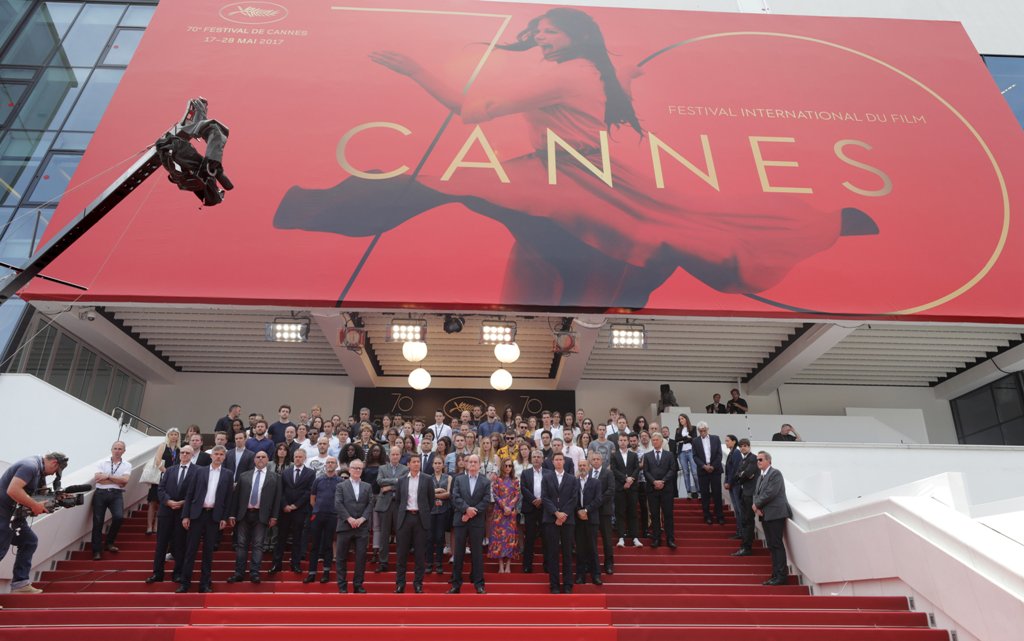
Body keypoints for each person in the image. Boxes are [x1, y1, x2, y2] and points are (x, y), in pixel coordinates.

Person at [0, 452, 68, 594]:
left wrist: (56, 499)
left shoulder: (39, 471)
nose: (53, 475)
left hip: (13, 515)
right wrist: (34, 505)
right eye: (55, 472)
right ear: (54, 463)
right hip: (3, 513)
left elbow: (40, 496)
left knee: (29, 541)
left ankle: (20, 585)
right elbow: (13, 490)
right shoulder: (29, 466)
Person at [177, 445, 232, 593]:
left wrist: (224, 518)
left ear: (224, 457)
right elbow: (190, 494)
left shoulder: (228, 474)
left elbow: (228, 498)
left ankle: (205, 584)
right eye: (216, 454)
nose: (218, 457)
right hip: (197, 514)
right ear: (211, 456)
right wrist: (186, 515)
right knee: (190, 550)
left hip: (214, 517)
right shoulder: (199, 471)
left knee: (208, 552)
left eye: (221, 454)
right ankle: (184, 583)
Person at [227, 450, 281, 584]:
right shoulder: (244, 475)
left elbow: (277, 499)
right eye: (258, 457)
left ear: (268, 459)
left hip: (261, 515)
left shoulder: (275, 477)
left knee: (258, 545)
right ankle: (239, 573)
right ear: (254, 459)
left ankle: (254, 573)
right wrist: (232, 514)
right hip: (244, 514)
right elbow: (236, 497)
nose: (260, 459)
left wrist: (274, 516)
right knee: (241, 544)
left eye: (263, 457)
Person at [146, 444, 195, 584]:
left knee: (180, 545)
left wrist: (183, 503)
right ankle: (157, 573)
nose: (184, 455)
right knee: (161, 544)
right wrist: (168, 502)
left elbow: (197, 491)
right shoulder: (170, 470)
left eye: (187, 453)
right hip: (166, 512)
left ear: (192, 455)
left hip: (183, 513)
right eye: (183, 452)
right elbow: (160, 489)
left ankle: (178, 573)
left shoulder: (197, 471)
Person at [449, 454, 490, 594]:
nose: (472, 464)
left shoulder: (485, 482)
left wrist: (472, 512)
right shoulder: (459, 479)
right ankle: (456, 584)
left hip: (477, 522)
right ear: (466, 464)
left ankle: (479, 584)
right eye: (470, 462)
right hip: (461, 520)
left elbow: (485, 500)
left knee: (477, 554)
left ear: (479, 465)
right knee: (458, 553)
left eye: (475, 462)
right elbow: (455, 497)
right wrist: (466, 510)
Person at [394, 455, 434, 593]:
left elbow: (431, 500)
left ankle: (418, 583)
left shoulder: (427, 479)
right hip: (405, 518)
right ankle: (400, 584)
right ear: (408, 464)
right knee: (401, 554)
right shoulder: (401, 480)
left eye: (418, 462)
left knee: (419, 554)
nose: (417, 464)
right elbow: (398, 500)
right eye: (414, 462)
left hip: (420, 519)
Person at [271, 448, 315, 574]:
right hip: (284, 511)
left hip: (300, 511)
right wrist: (285, 505)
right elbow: (281, 490)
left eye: (300, 457)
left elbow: (309, 492)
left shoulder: (310, 473)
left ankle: (295, 564)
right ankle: (276, 564)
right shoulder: (286, 472)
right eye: (296, 457)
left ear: (305, 458)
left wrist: (296, 505)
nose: (298, 459)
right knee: (281, 538)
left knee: (297, 538)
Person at [753, 450, 792, 585]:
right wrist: (757, 507)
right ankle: (775, 575)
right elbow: (756, 494)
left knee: (776, 544)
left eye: (760, 459)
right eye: (757, 460)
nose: (758, 462)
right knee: (771, 545)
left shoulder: (775, 473)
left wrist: (756, 504)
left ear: (768, 461)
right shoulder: (760, 476)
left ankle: (781, 576)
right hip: (765, 515)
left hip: (776, 514)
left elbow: (771, 493)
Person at [334, 459, 373, 593]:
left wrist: (362, 519)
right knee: (341, 557)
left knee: (361, 557)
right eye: (354, 468)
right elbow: (338, 504)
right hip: (345, 526)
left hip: (362, 527)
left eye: (359, 468)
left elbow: (370, 504)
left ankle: (358, 585)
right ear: (349, 470)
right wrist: (349, 519)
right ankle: (342, 586)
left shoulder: (367, 486)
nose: (357, 470)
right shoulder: (341, 485)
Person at [542, 452, 579, 593]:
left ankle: (568, 584)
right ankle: (554, 584)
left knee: (568, 553)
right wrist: (556, 513)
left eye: (560, 459)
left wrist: (563, 514)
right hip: (551, 520)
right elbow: (545, 497)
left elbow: (573, 498)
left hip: (567, 520)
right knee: (552, 553)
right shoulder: (547, 477)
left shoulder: (571, 479)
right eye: (556, 459)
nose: (558, 462)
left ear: (564, 461)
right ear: (552, 462)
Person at [91, 440, 132, 561]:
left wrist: (108, 476)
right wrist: (117, 480)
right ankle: (96, 551)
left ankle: (109, 542)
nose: (117, 451)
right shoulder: (102, 462)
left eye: (120, 449)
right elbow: (98, 479)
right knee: (98, 522)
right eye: (115, 448)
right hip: (100, 493)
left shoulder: (127, 465)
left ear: (124, 451)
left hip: (116, 494)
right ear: (111, 449)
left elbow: (125, 481)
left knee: (119, 517)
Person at [305, 456, 342, 584]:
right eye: (328, 462)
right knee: (315, 545)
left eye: (332, 462)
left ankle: (326, 572)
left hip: (333, 515)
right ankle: (311, 573)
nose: (330, 464)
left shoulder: (341, 482)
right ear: (325, 465)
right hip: (318, 515)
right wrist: (317, 509)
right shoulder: (318, 480)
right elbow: (312, 499)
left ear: (336, 465)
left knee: (328, 544)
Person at [375, 445, 408, 572]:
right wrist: (396, 481)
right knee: (384, 535)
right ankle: (383, 562)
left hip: (399, 505)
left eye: (397, 454)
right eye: (393, 454)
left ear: (400, 456)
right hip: (385, 505)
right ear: (389, 456)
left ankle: (401, 563)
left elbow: (404, 483)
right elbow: (379, 481)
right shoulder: (382, 468)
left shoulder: (405, 469)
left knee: (401, 535)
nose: (395, 456)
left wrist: (389, 487)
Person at [642, 432, 677, 548]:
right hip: (652, 490)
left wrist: (663, 481)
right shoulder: (647, 456)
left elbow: (672, 469)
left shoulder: (669, 455)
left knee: (668, 515)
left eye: (657, 440)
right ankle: (656, 539)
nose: (654, 442)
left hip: (666, 489)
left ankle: (670, 539)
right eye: (653, 440)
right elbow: (646, 471)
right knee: (655, 515)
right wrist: (654, 482)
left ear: (661, 441)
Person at [519, 448, 550, 575]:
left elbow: (551, 489)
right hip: (530, 508)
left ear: (542, 459)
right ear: (531, 459)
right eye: (534, 457)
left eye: (539, 457)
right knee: (530, 537)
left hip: (545, 509)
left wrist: (542, 500)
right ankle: (527, 565)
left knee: (546, 538)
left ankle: (548, 564)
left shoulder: (549, 473)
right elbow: (523, 488)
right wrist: (534, 500)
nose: (536, 459)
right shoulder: (525, 473)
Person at [145, 427, 180, 535]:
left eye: (176, 434)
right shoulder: (163, 446)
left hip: (172, 478)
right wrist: (165, 471)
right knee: (153, 502)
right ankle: (149, 526)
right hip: (160, 476)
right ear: (168, 436)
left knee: (163, 503)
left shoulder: (179, 449)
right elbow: (157, 460)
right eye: (172, 434)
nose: (174, 436)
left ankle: (157, 526)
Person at [488, 459, 520, 574]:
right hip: (499, 513)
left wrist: (510, 507)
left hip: (510, 513)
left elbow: (517, 495)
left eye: (510, 465)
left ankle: (508, 565)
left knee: (510, 538)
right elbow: (495, 495)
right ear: (502, 466)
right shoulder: (497, 479)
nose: (508, 467)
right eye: (506, 465)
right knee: (499, 539)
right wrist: (504, 507)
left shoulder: (515, 480)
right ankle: (501, 565)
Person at [574, 458, 603, 585]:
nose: (582, 467)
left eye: (584, 465)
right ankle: (580, 576)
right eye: (580, 465)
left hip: (591, 519)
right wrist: (578, 511)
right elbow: (570, 499)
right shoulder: (573, 482)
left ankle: (596, 575)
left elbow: (598, 500)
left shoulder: (596, 482)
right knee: (580, 549)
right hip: (578, 519)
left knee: (592, 548)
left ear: (589, 467)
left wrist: (586, 511)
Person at [610, 433, 641, 547]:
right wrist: (625, 479)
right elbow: (613, 469)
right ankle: (621, 537)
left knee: (633, 513)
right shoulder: (614, 455)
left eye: (625, 440)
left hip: (632, 488)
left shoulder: (633, 455)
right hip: (620, 488)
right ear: (618, 442)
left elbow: (637, 468)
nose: (623, 442)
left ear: (628, 442)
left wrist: (631, 479)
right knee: (620, 513)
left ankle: (635, 538)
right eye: (621, 440)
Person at [588, 451, 616, 575]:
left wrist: (597, 502)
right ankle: (592, 564)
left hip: (604, 511)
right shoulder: (587, 473)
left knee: (607, 539)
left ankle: (609, 563)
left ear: (602, 460)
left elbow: (610, 491)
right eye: (593, 459)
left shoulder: (608, 473)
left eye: (597, 459)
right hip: (591, 512)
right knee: (591, 539)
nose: (595, 461)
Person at [692, 422, 725, 525]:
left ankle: (719, 516)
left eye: (704, 430)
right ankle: (707, 516)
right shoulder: (695, 441)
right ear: (698, 431)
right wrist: (704, 466)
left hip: (715, 470)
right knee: (705, 494)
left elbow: (719, 454)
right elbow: (695, 456)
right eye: (700, 431)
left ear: (708, 429)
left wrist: (713, 466)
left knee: (717, 493)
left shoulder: (715, 438)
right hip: (703, 471)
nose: (702, 432)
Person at [730, 439, 759, 558]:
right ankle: (745, 545)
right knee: (744, 519)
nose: (743, 448)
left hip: (750, 494)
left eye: (745, 446)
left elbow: (748, 473)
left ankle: (747, 547)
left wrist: (742, 475)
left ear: (749, 447)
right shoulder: (743, 460)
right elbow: (737, 475)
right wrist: (742, 475)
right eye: (741, 446)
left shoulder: (753, 458)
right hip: (744, 493)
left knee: (748, 520)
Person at [427, 456, 452, 575]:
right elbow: (426, 493)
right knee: (430, 537)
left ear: (443, 465)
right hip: (431, 511)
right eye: (435, 463)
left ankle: (439, 563)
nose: (437, 465)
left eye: (439, 463)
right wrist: (438, 491)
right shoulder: (427, 478)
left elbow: (449, 494)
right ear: (432, 465)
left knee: (440, 537)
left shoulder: (448, 477)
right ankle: (429, 563)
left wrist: (434, 493)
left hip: (443, 510)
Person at [723, 434, 744, 539]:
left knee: (739, 509)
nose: (726, 442)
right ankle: (739, 531)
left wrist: (729, 482)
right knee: (736, 509)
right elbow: (728, 470)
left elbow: (735, 470)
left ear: (734, 441)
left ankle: (742, 532)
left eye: (728, 441)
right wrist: (726, 481)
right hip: (732, 485)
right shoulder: (731, 453)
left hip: (736, 485)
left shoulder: (736, 453)